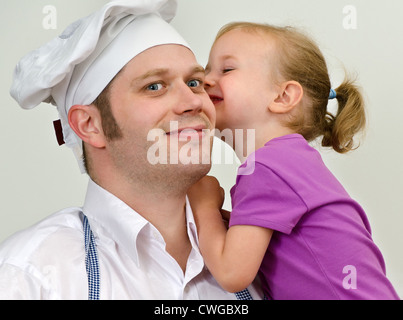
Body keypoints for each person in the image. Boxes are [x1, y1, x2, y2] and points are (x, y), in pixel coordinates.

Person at [0, 1, 262, 300]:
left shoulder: (263, 252)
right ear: (89, 125)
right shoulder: (29, 276)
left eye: (194, 82)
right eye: (154, 86)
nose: (193, 101)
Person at [187, 22, 400, 300]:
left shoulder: (269, 166)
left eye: (226, 69)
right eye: (206, 70)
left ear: (283, 96)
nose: (206, 80)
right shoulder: (288, 162)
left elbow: (231, 273)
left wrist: (203, 207)